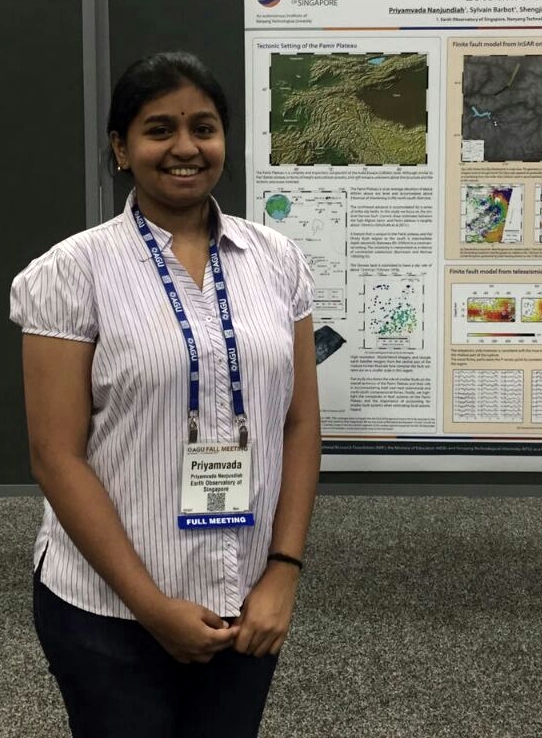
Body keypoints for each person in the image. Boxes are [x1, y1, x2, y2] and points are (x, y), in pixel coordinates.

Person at [9, 51, 321, 738]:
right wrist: (151, 605)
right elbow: (55, 455)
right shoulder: (72, 271)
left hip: (244, 603)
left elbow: (299, 424)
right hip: (108, 612)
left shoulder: (277, 261)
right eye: (159, 129)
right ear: (121, 147)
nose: (185, 147)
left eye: (203, 127)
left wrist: (282, 573)